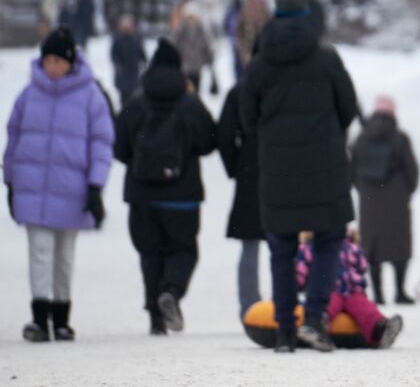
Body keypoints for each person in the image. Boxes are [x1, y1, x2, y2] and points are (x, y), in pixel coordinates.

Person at [240, 0, 359, 354]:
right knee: (327, 240)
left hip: (278, 170)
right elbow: (348, 108)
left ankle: (285, 334)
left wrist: (274, 140)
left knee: (281, 249)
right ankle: (314, 319)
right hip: (325, 167)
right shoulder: (326, 58)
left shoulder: (259, 65)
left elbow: (248, 119)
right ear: (308, 16)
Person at [4, 28, 115, 343]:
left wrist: (95, 186)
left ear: (70, 62)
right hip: (33, 188)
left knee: (63, 256)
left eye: (57, 60)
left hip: (72, 191)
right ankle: (40, 319)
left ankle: (62, 317)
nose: (52, 66)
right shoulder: (29, 95)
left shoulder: (90, 96)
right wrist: (10, 180)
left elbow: (102, 144)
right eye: (47, 60)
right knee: (40, 252)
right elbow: (13, 140)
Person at [112, 39, 217, 335]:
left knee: (150, 254)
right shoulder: (189, 104)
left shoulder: (136, 102)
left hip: (142, 196)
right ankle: (171, 290)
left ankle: (155, 320)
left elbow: (118, 147)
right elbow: (210, 142)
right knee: (183, 250)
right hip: (182, 197)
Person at [350, 95, 420, 305]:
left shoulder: (360, 139)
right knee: (399, 245)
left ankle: (378, 295)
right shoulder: (400, 138)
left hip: (370, 202)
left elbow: (351, 170)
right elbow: (412, 170)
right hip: (396, 200)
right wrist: (405, 191)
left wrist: (363, 190)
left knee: (372, 248)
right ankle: (399, 292)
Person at [295, 227, 403, 349]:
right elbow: (300, 272)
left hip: (353, 291)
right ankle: (318, 326)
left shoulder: (352, 247)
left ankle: (381, 328)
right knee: (327, 304)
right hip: (329, 290)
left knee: (364, 307)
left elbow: (362, 266)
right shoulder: (309, 248)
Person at [216, 77, 265, 318]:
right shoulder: (292, 84)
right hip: (289, 167)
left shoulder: (242, 89)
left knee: (250, 244)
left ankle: (251, 307)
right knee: (290, 244)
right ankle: (289, 303)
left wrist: (236, 166)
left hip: (251, 169)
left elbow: (224, 134)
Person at [172, 3, 216, 97]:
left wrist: (210, 60)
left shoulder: (201, 30)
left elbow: (206, 47)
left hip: (197, 67)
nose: (191, 20)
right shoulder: (181, 31)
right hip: (185, 68)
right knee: (185, 93)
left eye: (193, 17)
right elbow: (175, 46)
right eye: (189, 17)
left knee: (196, 93)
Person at [110, 14, 147, 108]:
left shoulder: (136, 39)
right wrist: (117, 64)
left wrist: (144, 62)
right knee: (124, 97)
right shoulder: (118, 40)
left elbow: (142, 53)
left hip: (134, 73)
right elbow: (114, 55)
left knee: (134, 96)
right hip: (123, 75)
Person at [235, 0, 271, 73]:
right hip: (247, 51)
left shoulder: (266, 15)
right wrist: (243, 52)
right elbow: (239, 32)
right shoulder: (243, 14)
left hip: (261, 52)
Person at [224, 0, 244, 80]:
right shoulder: (232, 12)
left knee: (239, 61)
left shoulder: (239, 12)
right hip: (235, 40)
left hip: (238, 41)